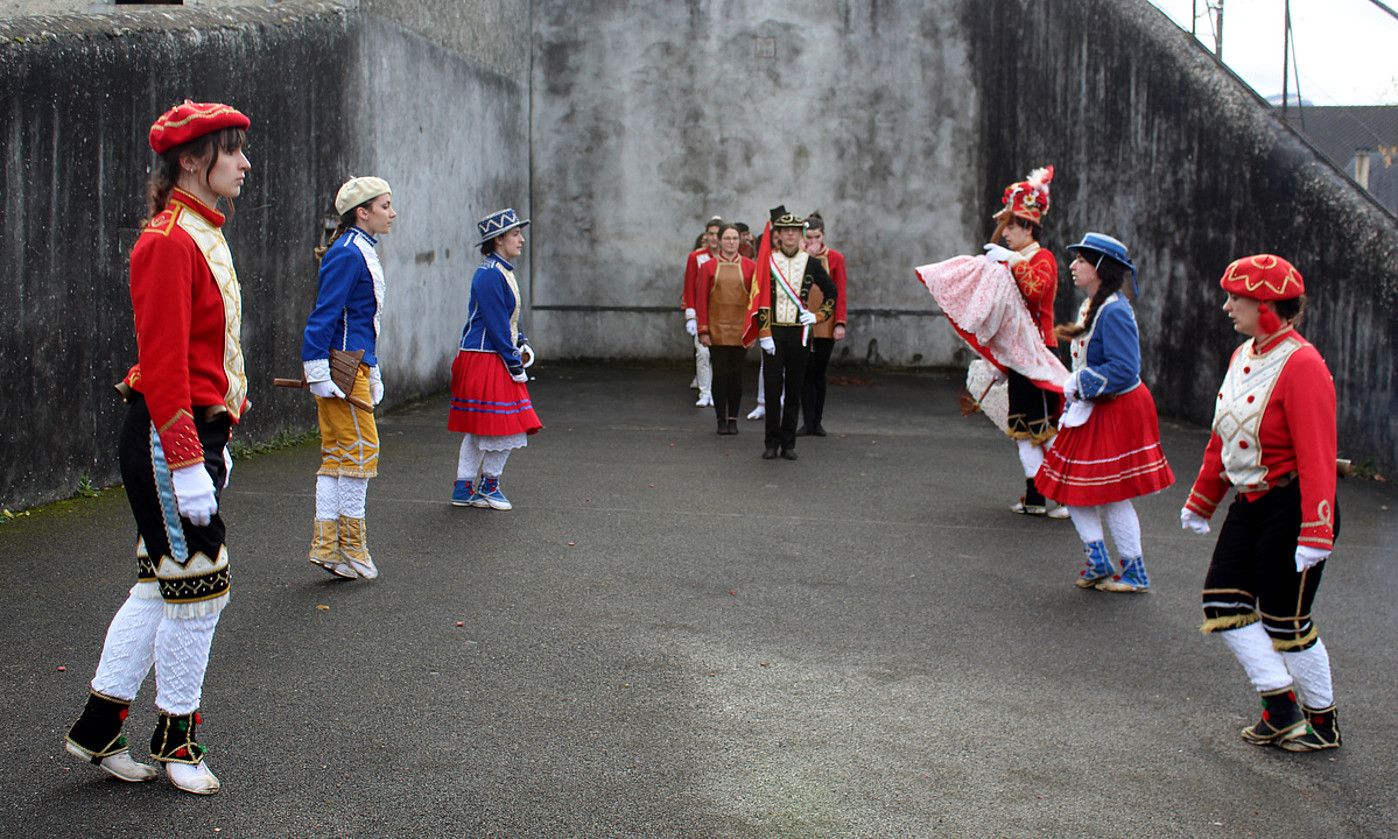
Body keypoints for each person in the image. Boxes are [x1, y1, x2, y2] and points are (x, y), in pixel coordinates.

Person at [64, 100, 252, 795]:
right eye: (232, 150)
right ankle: (176, 739)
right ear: (192, 159)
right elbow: (165, 362)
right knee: (200, 591)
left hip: (195, 432)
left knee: (161, 585)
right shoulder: (168, 240)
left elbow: (211, 349)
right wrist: (186, 460)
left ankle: (97, 727)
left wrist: (221, 431)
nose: (245, 162)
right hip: (169, 433)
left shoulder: (200, 230)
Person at [1180, 254, 1342, 751]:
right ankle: (1281, 706)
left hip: (1293, 505)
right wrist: (1203, 499)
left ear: (1268, 306)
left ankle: (1321, 722)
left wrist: (1317, 528)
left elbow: (1318, 453)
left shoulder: (1303, 363)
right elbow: (1223, 435)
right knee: (1222, 601)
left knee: (1285, 621)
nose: (1227, 306)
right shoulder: (1242, 355)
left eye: (1237, 299)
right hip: (1251, 503)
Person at [1034, 233, 1174, 591]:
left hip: (1116, 407)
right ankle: (1098, 560)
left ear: (1098, 268)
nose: (1073, 266)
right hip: (1091, 407)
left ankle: (1134, 571)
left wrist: (1080, 383)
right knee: (1072, 486)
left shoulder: (1113, 310)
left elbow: (1125, 368)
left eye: (1080, 260)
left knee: (1110, 493)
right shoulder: (1094, 305)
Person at [300, 176, 396, 581]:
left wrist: (371, 369)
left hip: (353, 364)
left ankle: (329, 546)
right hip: (342, 366)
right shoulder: (349, 253)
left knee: (340, 453)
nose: (392, 213)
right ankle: (351, 547)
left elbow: (361, 320)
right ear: (363, 212)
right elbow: (324, 314)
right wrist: (317, 368)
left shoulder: (358, 250)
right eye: (385, 206)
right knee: (359, 451)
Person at [981, 168, 1066, 517]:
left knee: (1046, 431)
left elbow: (1036, 291)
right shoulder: (1013, 260)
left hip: (1040, 352)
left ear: (1029, 227)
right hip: (1018, 356)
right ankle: (1035, 496)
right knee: (1023, 429)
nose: (1006, 234)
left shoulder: (1041, 258)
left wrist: (1013, 262)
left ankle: (1066, 496)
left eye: (1011, 226)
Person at [449, 208, 543, 509]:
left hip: (489, 355)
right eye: (515, 234)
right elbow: (496, 323)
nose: (522, 240)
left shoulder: (499, 271)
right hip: (486, 358)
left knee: (483, 426)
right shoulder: (489, 275)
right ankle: (488, 486)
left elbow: (510, 318)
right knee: (506, 424)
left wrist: (523, 342)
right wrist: (514, 362)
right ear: (499, 239)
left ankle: (465, 489)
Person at [748, 208, 837, 460]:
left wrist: (818, 316)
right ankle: (771, 442)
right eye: (785, 231)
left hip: (799, 334)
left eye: (795, 231)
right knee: (773, 389)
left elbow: (832, 292)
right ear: (778, 235)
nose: (789, 235)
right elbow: (759, 299)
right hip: (774, 333)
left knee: (794, 390)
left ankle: (789, 443)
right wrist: (764, 332)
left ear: (801, 235)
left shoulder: (811, 263)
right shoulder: (768, 260)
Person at [696, 224, 757, 434]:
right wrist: (703, 330)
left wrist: (753, 332)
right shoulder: (708, 267)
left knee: (736, 376)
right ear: (720, 241)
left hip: (740, 330)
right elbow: (701, 300)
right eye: (727, 238)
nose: (731, 242)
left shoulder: (751, 267)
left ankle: (733, 419)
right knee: (720, 375)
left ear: (740, 241)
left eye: (734, 238)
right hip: (716, 330)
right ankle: (721, 419)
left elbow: (754, 302)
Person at [798, 211, 848, 437]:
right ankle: (806, 421)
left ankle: (817, 421)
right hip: (801, 323)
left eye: (816, 237)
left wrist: (840, 323)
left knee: (819, 372)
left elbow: (840, 292)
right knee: (804, 373)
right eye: (808, 238)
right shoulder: (796, 258)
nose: (812, 243)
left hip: (825, 324)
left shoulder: (835, 258)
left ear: (823, 236)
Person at [681, 216, 723, 407]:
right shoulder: (695, 257)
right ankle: (705, 392)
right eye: (711, 234)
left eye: (717, 234)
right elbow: (689, 286)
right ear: (706, 235)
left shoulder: (728, 257)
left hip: (723, 315)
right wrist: (690, 315)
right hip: (701, 313)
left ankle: (717, 391)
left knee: (720, 356)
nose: (714, 238)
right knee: (703, 353)